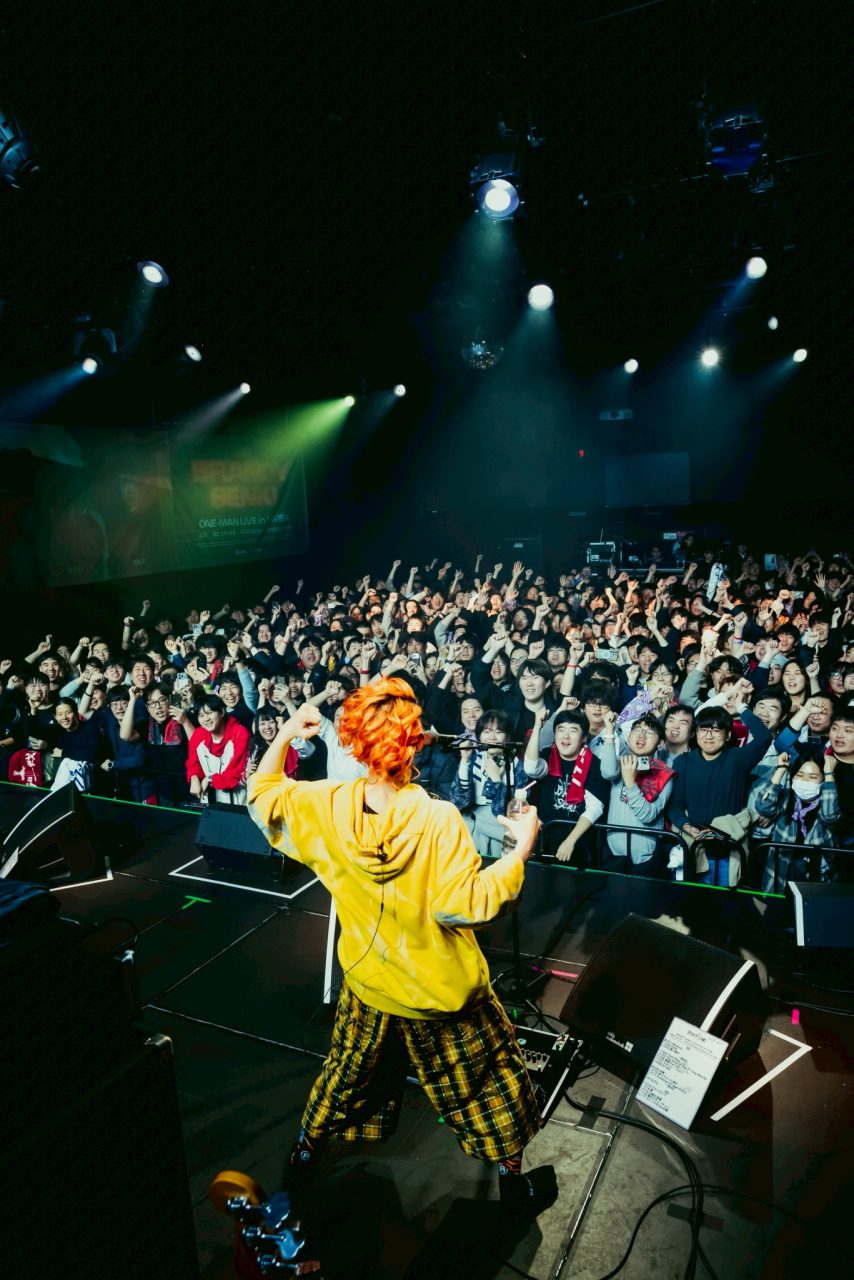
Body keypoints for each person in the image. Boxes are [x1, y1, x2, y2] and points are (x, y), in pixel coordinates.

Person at [245, 682, 556, 1228]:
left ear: (353, 744)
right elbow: (468, 905)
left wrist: (291, 730)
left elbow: (262, 793)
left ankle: (303, 1159)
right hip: (442, 996)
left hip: (369, 986)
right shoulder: (438, 820)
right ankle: (513, 1185)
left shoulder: (323, 803)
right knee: (491, 1086)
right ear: (410, 746)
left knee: (344, 1077)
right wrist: (520, 850)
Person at [755, 751, 841, 893]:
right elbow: (763, 807)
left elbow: (829, 816)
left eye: (813, 777)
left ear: (823, 780)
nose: (805, 781)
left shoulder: (829, 801)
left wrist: (829, 774)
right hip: (780, 872)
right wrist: (780, 770)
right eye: (800, 775)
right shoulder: (786, 798)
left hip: (816, 875)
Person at [186, 693, 251, 804]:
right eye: (201, 715)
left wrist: (209, 779)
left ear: (221, 712)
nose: (206, 719)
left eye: (209, 713)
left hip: (239, 800)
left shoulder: (240, 733)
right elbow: (193, 763)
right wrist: (194, 777)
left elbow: (236, 772)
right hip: (209, 801)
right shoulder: (198, 735)